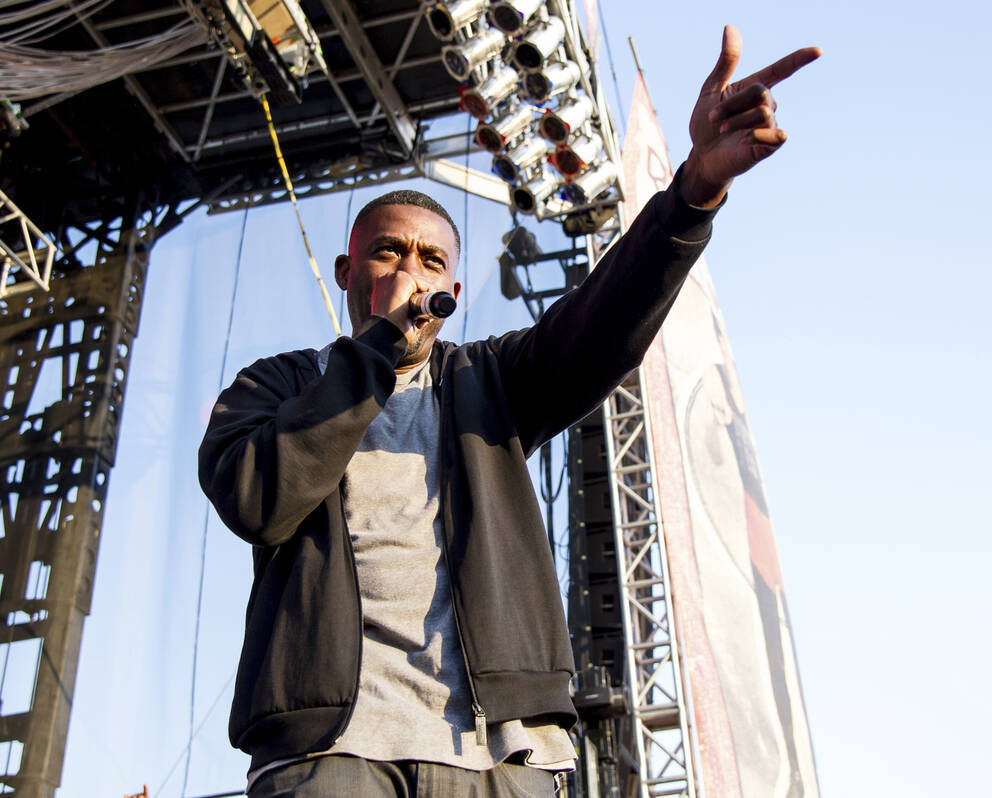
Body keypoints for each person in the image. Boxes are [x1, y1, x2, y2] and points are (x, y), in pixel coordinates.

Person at [198, 26, 820, 798]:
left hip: (499, 757)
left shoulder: (490, 380)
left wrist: (693, 188)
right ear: (346, 270)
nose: (410, 272)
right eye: (389, 251)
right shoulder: (275, 387)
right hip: (332, 754)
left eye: (431, 260)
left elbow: (603, 320)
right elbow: (259, 501)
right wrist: (374, 354)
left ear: (452, 287)